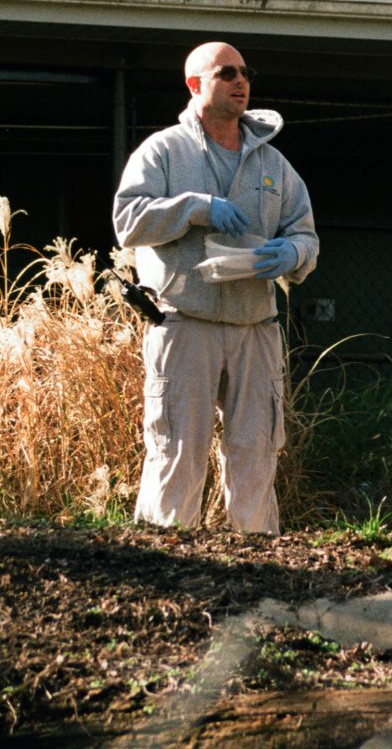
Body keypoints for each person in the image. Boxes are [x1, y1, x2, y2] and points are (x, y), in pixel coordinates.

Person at [113, 41, 318, 534]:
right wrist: (196, 207)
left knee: (255, 450)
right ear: (194, 85)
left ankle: (258, 567)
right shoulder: (164, 151)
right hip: (185, 325)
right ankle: (163, 566)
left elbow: (305, 233)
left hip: (255, 329)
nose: (240, 81)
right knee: (178, 448)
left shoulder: (274, 165)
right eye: (226, 73)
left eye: (245, 72)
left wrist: (292, 255)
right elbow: (128, 221)